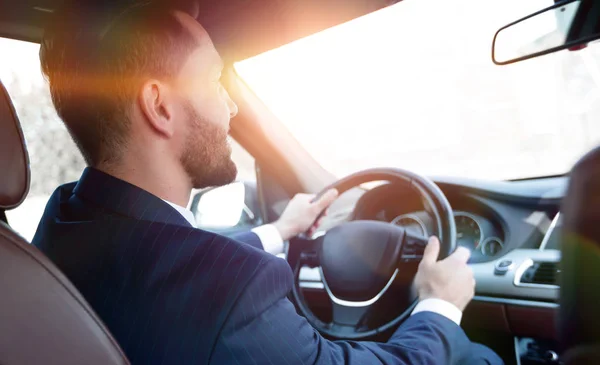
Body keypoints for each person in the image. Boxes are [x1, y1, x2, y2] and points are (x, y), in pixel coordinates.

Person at [32, 1, 502, 364]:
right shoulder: (230, 292)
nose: (231, 108)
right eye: (216, 81)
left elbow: (172, 270)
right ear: (159, 106)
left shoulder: (62, 223)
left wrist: (279, 231)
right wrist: (440, 305)